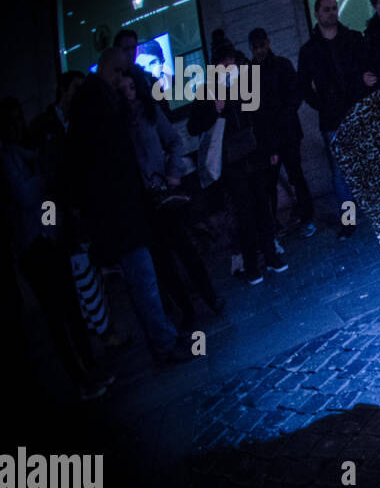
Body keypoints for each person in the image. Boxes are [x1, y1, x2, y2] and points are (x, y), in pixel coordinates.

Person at [66, 47, 191, 364]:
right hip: (120, 213)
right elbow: (99, 165)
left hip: (120, 211)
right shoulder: (96, 103)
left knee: (144, 279)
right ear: (115, 71)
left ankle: (163, 338)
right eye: (122, 73)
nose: (124, 80)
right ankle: (164, 343)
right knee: (144, 279)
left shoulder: (96, 103)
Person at [1, 96, 114, 399]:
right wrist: (44, 178)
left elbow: (39, 193)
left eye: (18, 119)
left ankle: (91, 369)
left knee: (70, 309)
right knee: (56, 315)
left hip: (48, 237)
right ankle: (81, 378)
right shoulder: (10, 157)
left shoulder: (28, 153)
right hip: (33, 245)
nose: (16, 126)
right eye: (10, 122)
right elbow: (25, 194)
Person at [119, 71, 221, 332]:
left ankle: (210, 297)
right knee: (163, 261)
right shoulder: (119, 123)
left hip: (163, 191)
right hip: (141, 200)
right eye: (123, 89)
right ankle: (186, 310)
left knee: (185, 249)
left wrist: (172, 172)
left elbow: (174, 141)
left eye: (131, 87)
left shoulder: (149, 112)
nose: (128, 93)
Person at [189, 31, 287, 285]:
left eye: (230, 62)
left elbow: (263, 117)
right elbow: (193, 126)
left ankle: (269, 255)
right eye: (223, 64)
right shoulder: (208, 91)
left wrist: (271, 149)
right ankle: (252, 263)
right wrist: (214, 110)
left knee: (262, 206)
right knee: (245, 213)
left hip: (253, 154)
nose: (228, 67)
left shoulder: (245, 84)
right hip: (232, 162)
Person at [298, 0, 367, 238]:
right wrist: (323, 104)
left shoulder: (352, 39)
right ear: (317, 13)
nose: (332, 12)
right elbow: (303, 86)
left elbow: (364, 67)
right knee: (340, 172)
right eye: (326, 9)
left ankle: (373, 212)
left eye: (334, 8)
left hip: (357, 111)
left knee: (365, 165)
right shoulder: (309, 50)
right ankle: (349, 221)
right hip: (333, 117)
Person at [249, 28, 314, 234]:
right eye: (256, 47)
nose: (260, 50)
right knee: (289, 177)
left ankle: (284, 222)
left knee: (282, 179)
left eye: (261, 46)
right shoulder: (279, 65)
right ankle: (303, 218)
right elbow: (294, 95)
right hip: (283, 132)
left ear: (267, 43)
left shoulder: (257, 72)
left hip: (278, 134)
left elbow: (294, 95)